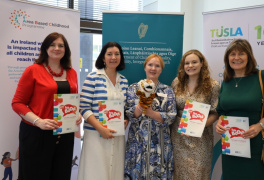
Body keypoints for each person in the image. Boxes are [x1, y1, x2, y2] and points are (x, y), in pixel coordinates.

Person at [11, 32, 81, 180]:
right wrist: (38, 121)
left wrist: (77, 114)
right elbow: (17, 103)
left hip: (64, 135)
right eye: (52, 45)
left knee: (61, 174)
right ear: (45, 48)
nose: (57, 48)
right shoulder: (33, 70)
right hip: (37, 134)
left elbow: (73, 100)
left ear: (66, 50)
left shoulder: (72, 72)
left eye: (61, 45)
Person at [215, 39, 264, 180]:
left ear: (249, 56)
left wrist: (260, 126)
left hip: (256, 142)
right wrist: (220, 123)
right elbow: (222, 110)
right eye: (232, 54)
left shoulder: (262, 77)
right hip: (231, 143)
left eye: (241, 53)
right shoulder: (227, 81)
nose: (236, 58)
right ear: (227, 58)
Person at [77, 42, 128, 180]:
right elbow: (83, 107)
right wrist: (100, 128)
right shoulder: (92, 77)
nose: (113, 57)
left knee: (115, 171)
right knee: (95, 172)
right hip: (95, 135)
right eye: (109, 54)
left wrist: (126, 120)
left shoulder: (123, 81)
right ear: (103, 57)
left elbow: (126, 108)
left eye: (117, 54)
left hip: (117, 135)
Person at [124, 54, 177, 180]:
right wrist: (140, 107)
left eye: (157, 66)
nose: (153, 68)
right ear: (145, 67)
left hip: (159, 144)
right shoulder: (133, 88)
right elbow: (129, 114)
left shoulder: (167, 91)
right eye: (150, 65)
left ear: (161, 69)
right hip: (137, 144)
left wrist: (150, 112)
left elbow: (171, 116)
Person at [170, 49, 220, 180]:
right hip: (178, 136)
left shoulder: (212, 85)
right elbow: (171, 108)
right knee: (179, 172)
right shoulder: (177, 82)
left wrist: (199, 126)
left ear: (202, 63)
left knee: (198, 173)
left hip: (201, 138)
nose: (190, 66)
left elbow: (216, 112)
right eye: (187, 63)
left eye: (194, 62)